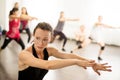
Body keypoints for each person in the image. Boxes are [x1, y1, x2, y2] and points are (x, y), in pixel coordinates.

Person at [18, 22, 112, 80]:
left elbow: (67, 55)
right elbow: (48, 65)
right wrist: (77, 62)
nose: (40, 43)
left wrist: (91, 63)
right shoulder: (24, 54)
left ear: (51, 38)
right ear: (33, 35)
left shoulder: (49, 50)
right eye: (37, 38)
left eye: (45, 39)